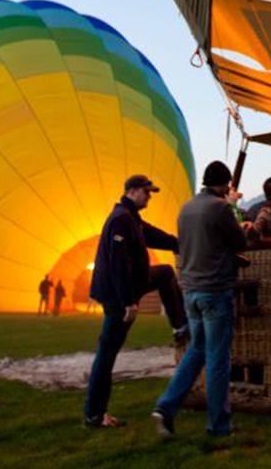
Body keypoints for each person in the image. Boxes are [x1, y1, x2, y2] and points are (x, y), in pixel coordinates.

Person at [152, 161, 249, 440]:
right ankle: (219, 425)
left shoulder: (186, 208)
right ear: (223, 184)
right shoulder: (219, 208)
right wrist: (231, 206)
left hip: (191, 291)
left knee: (196, 352)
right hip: (215, 291)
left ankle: (166, 407)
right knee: (218, 360)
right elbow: (240, 242)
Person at [83, 175, 187, 429]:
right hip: (119, 296)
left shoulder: (131, 219)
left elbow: (155, 236)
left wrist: (182, 243)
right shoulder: (120, 220)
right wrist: (128, 302)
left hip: (132, 285)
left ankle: (180, 326)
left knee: (164, 274)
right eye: (146, 191)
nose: (149, 196)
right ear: (131, 191)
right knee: (106, 354)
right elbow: (118, 264)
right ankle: (94, 415)